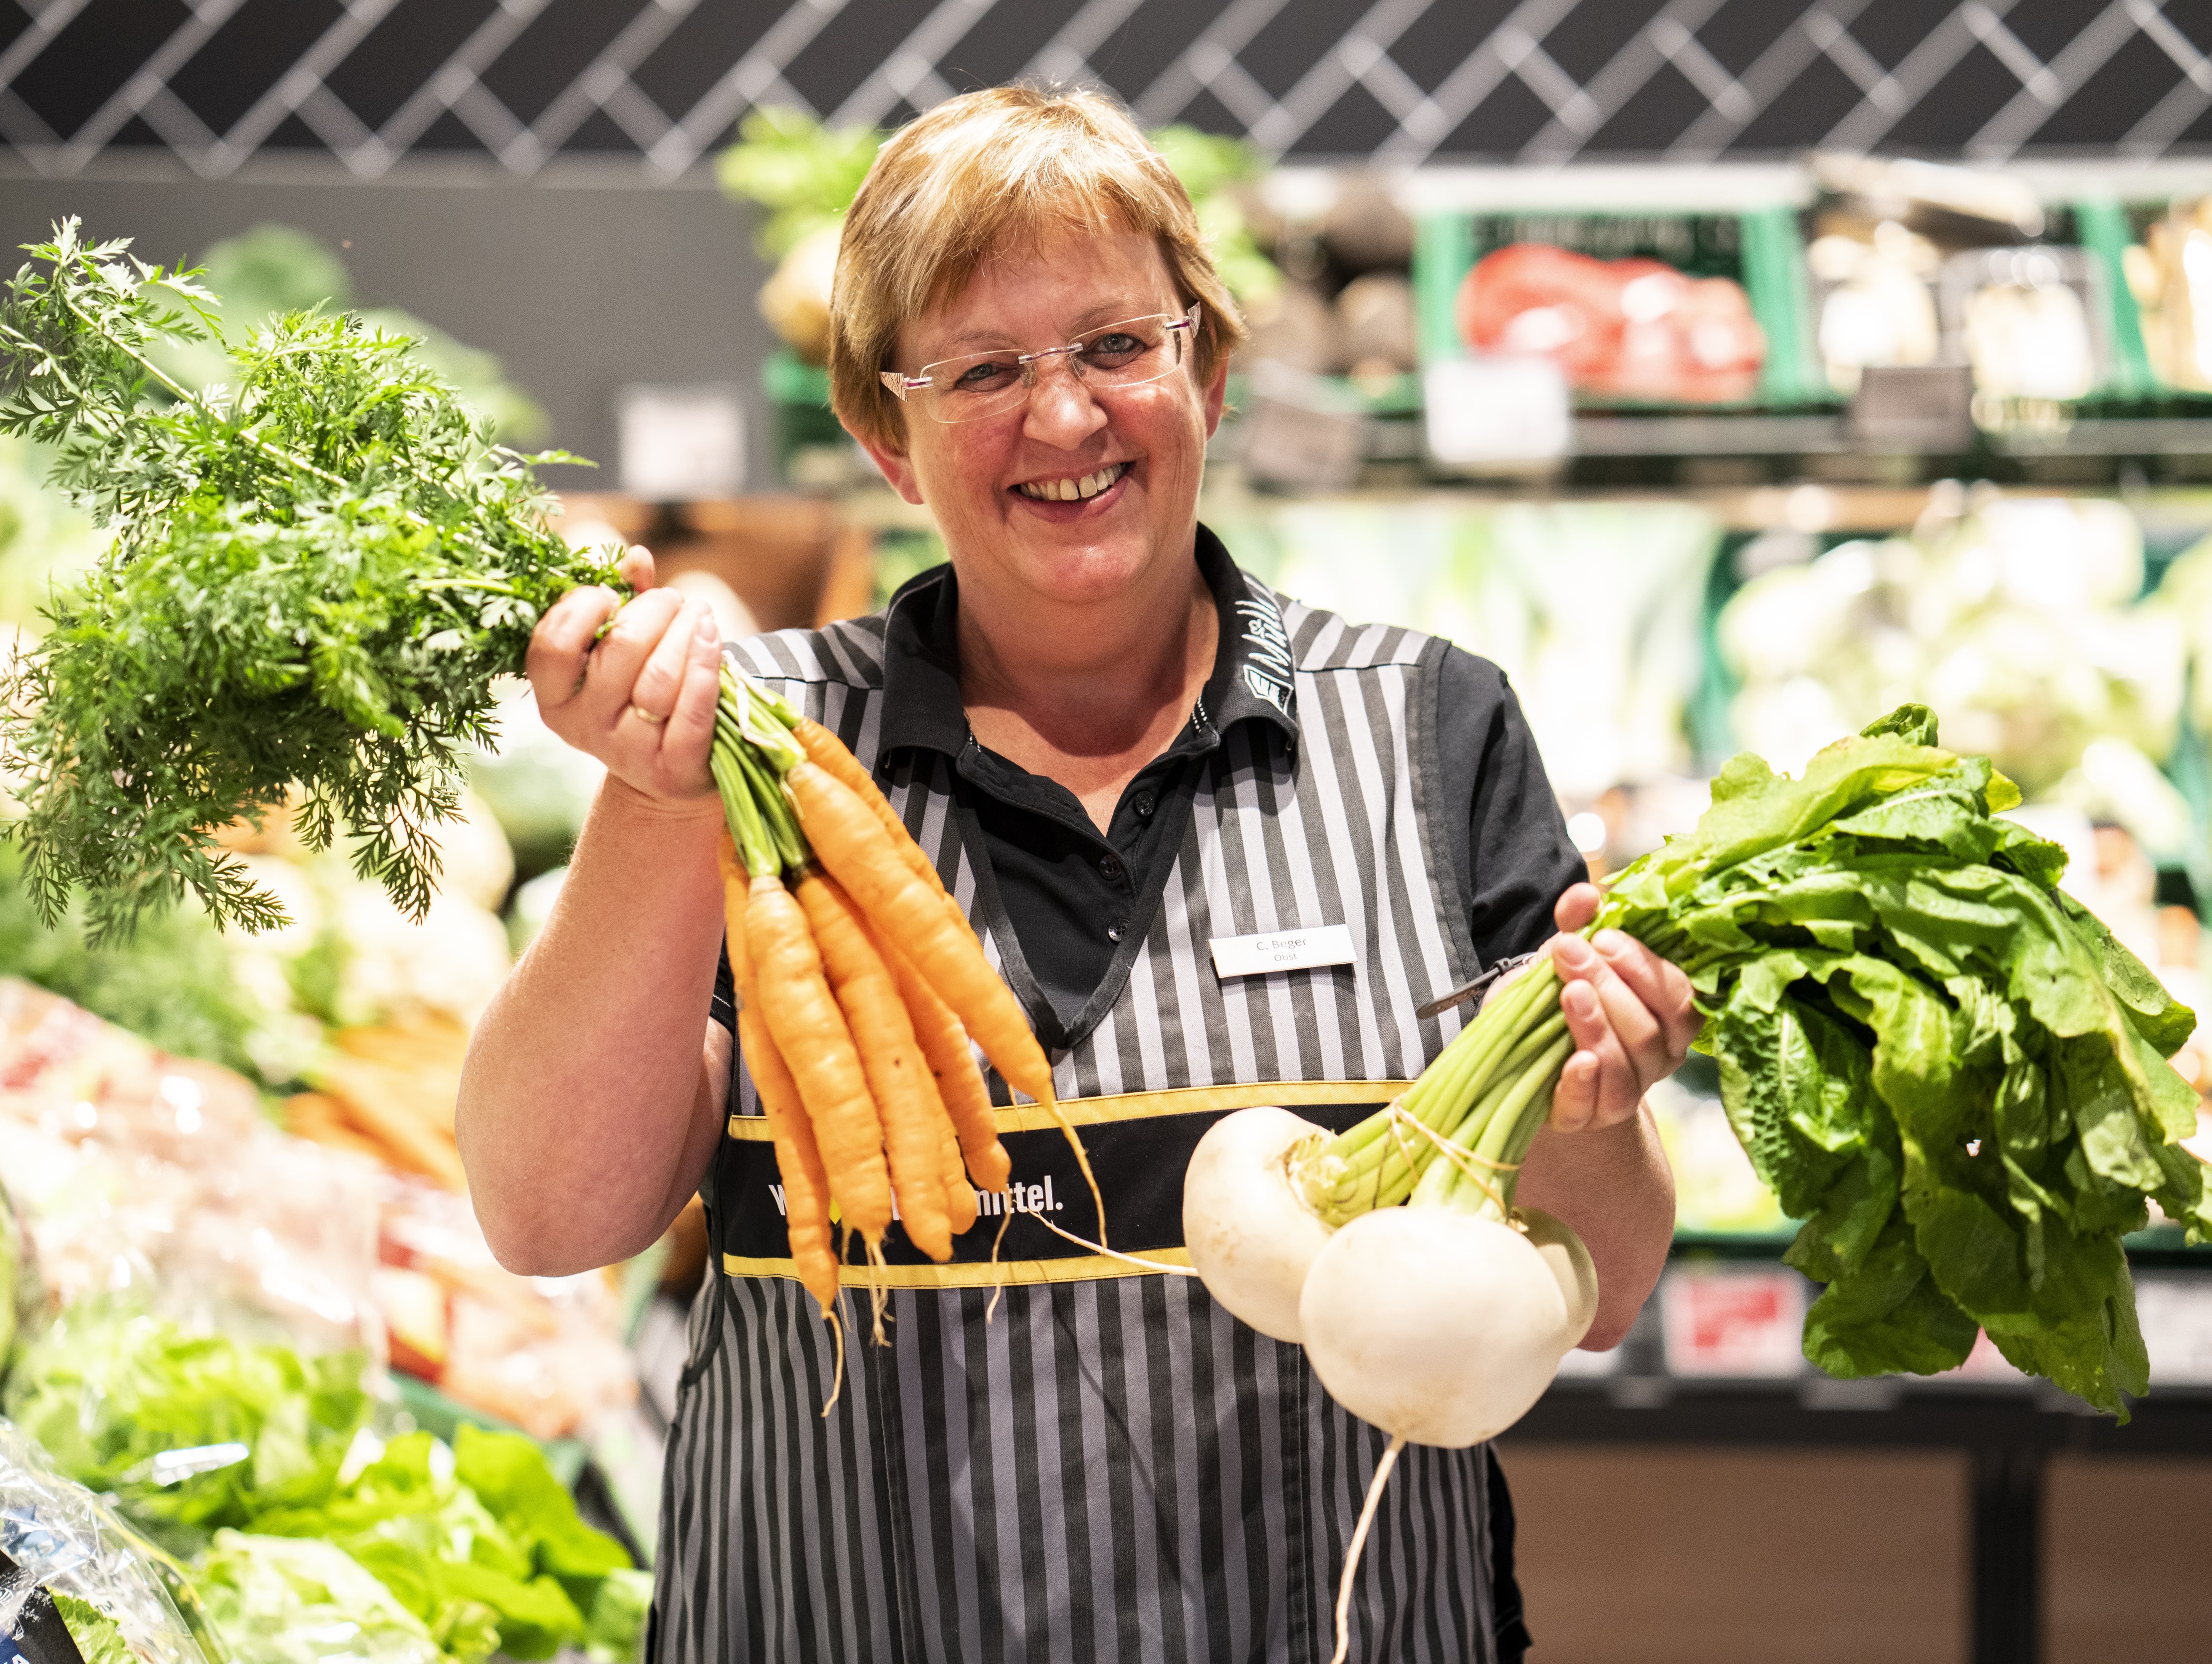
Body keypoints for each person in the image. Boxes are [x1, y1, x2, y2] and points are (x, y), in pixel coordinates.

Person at [460, 85, 1692, 1663]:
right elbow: (553, 1213)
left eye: (1117, 345)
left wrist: (1593, 1105)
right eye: (981, 371)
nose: (1064, 420)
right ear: (883, 438)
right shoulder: (751, 749)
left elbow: (1599, 1288)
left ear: (1209, 369)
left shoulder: (1429, 726)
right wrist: (651, 798)